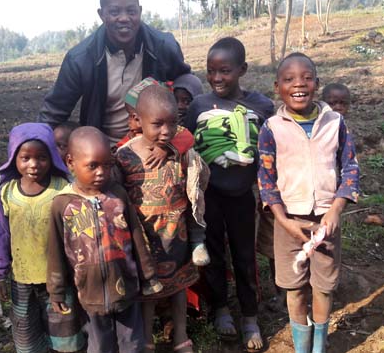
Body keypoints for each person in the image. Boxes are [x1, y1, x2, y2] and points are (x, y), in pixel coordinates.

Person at [257, 52, 360, 353]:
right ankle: (302, 347)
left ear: (317, 83)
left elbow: (350, 167)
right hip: (288, 221)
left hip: (325, 221)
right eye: (289, 79)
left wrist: (336, 209)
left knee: (324, 286)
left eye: (306, 78)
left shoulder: (335, 122)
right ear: (277, 86)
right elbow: (265, 178)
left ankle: (319, 346)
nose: (298, 84)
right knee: (293, 287)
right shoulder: (272, 128)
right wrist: (283, 219)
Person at [184, 37, 274, 351]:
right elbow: (185, 145)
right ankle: (220, 307)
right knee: (213, 255)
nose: (217, 78)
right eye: (211, 71)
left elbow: (272, 149)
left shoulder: (261, 106)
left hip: (243, 196)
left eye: (225, 71)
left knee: (245, 256)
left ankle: (250, 316)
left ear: (242, 69)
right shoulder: (198, 106)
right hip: (209, 197)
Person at [47, 126, 163, 353]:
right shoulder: (62, 205)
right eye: (93, 165)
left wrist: (148, 275)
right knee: (99, 346)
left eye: (107, 165)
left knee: (132, 344)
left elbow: (137, 236)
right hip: (88, 292)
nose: (102, 172)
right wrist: (56, 291)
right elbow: (55, 251)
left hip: (126, 287)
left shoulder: (117, 195)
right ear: (71, 162)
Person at [37, 0, 190, 145]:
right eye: (114, 12)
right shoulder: (81, 58)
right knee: (60, 135)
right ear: (101, 14)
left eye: (131, 11)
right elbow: (54, 112)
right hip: (103, 149)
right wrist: (32, 146)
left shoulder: (163, 46)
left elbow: (186, 83)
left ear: (139, 11)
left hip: (154, 143)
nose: (124, 18)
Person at [116, 86, 210, 353]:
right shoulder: (125, 155)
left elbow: (197, 180)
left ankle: (180, 336)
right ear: (138, 120)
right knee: (147, 291)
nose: (166, 131)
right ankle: (146, 340)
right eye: (157, 124)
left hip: (176, 235)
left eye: (172, 123)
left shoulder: (178, 150)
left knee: (178, 287)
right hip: (145, 238)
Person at [0, 122, 85, 353]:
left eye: (41, 157)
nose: (33, 164)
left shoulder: (63, 189)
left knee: (66, 337)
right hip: (22, 279)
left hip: (60, 278)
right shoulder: (7, 193)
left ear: (52, 156)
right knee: (27, 336)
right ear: (14, 158)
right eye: (25, 158)